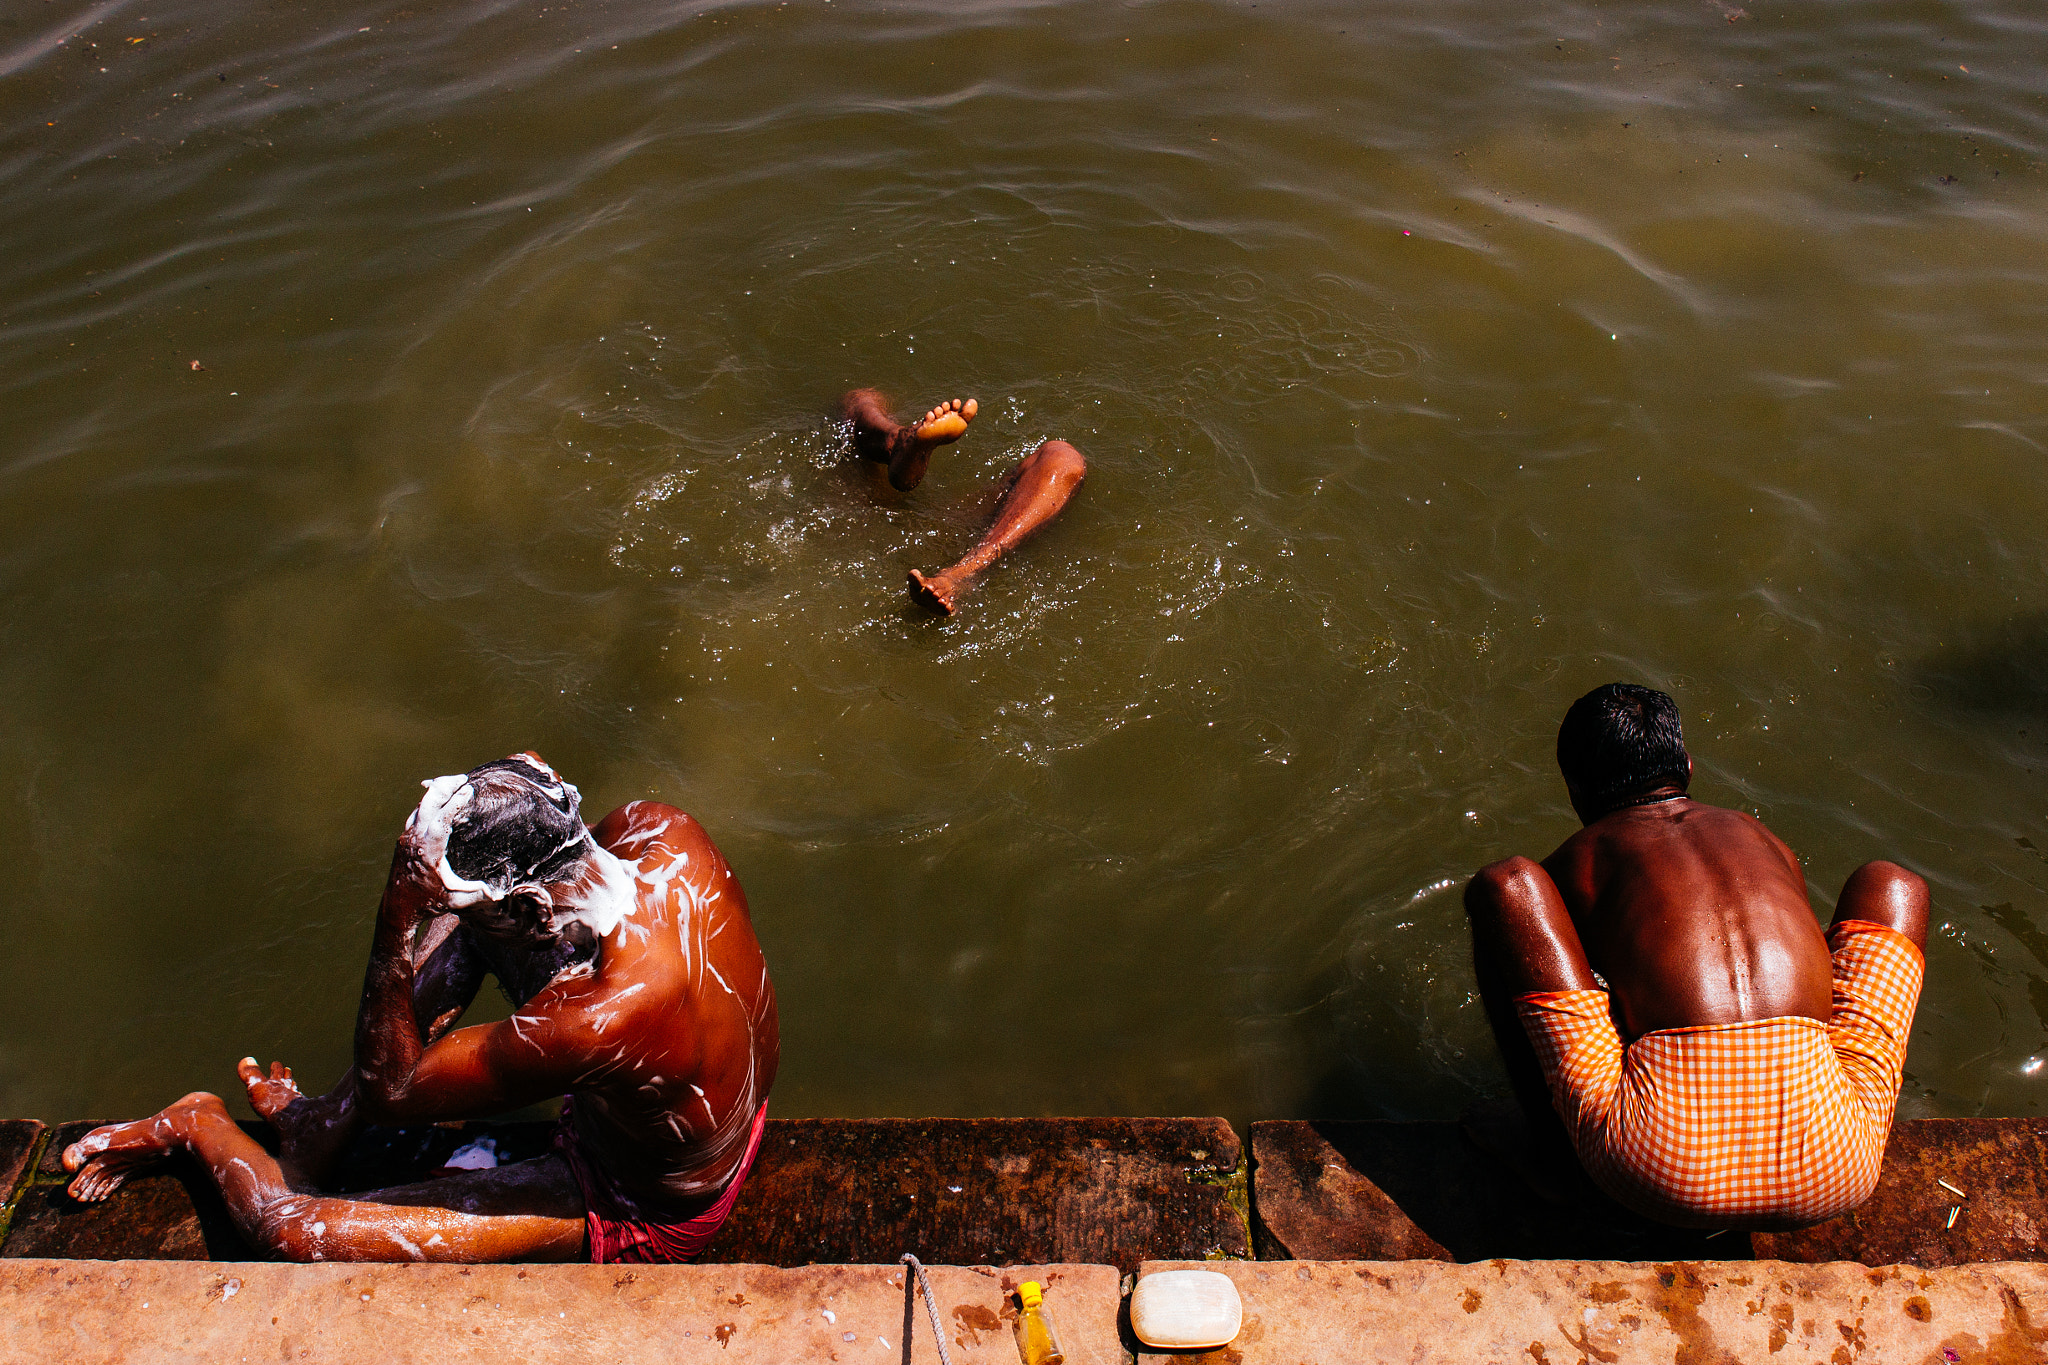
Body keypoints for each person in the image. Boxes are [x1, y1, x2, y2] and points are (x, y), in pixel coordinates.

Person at [62, 753, 778, 1263]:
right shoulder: (658, 828)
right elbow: (523, 808)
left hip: (648, 1198)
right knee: (479, 911)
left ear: (533, 909)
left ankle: (196, 1123)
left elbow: (392, 1089)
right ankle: (316, 1129)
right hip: (713, 1106)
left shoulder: (595, 1016)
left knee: (291, 1228)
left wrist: (396, 913)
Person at [1464, 683, 1926, 1229]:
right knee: (1893, 883)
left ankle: (1553, 1161)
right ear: (1685, 763)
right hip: (1837, 1164)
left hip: (1660, 1168)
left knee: (1506, 887)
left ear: (1574, 787)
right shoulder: (1764, 838)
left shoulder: (1581, 858)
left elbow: (1562, 973)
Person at [840, 388, 1087, 614]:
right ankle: (961, 574)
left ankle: (894, 440)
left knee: (859, 400)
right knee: (1063, 455)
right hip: (957, 526)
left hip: (898, 517)